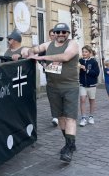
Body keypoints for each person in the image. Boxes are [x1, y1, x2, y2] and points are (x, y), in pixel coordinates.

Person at [27, 23, 79, 163]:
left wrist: (42, 58)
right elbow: (33, 49)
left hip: (70, 86)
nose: (61, 34)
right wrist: (29, 53)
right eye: (58, 32)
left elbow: (66, 57)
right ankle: (69, 143)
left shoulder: (72, 43)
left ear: (68, 33)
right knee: (60, 117)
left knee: (70, 117)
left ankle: (69, 148)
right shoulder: (48, 45)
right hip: (53, 87)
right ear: (54, 33)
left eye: (64, 32)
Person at [78, 45, 100, 127]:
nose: (84, 53)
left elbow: (96, 73)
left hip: (92, 85)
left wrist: (86, 70)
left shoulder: (94, 62)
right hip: (82, 84)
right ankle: (83, 118)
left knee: (91, 100)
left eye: (86, 52)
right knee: (82, 100)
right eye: (83, 51)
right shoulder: (79, 61)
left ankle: (91, 116)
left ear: (90, 53)